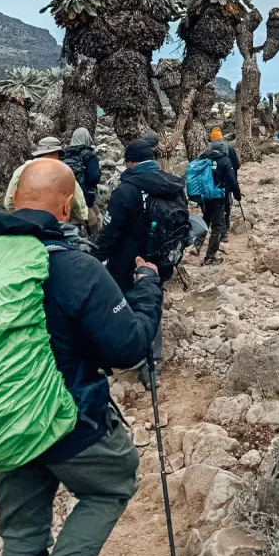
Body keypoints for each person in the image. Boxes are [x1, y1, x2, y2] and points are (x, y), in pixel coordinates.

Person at [0, 160, 162, 556]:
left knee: (23, 533)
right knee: (113, 485)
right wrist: (147, 288)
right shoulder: (75, 268)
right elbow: (129, 347)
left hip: (2, 415)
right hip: (65, 418)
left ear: (13, 200)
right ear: (67, 208)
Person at [94, 139, 188, 384]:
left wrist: (95, 259)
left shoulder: (125, 190)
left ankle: (128, 354)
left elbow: (111, 232)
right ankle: (152, 364)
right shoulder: (172, 184)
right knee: (152, 301)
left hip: (127, 262)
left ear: (129, 162)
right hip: (162, 259)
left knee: (123, 303)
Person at [5, 137, 90, 230]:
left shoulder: (21, 171)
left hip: (25, 225)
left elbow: (9, 202)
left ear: (39, 153)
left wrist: (17, 217)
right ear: (57, 153)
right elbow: (78, 201)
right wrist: (84, 219)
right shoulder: (63, 171)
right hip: (54, 227)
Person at [195, 135, 241, 266]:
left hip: (204, 197)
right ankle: (210, 257)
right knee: (218, 227)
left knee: (205, 220)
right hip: (217, 197)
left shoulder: (204, 158)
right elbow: (232, 181)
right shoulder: (224, 161)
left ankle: (195, 247)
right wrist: (237, 195)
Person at [62, 128, 102, 234]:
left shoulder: (64, 154)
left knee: (73, 221)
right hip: (85, 196)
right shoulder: (89, 155)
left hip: (66, 195)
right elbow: (94, 178)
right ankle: (94, 243)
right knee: (93, 222)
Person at [209, 126, 239, 244]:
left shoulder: (210, 151)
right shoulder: (229, 148)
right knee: (227, 205)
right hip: (227, 182)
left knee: (216, 208)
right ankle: (225, 230)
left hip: (213, 185)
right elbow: (237, 165)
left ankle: (220, 231)